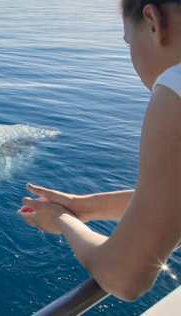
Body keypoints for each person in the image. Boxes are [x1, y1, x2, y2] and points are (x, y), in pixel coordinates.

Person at [17, 0, 181, 302]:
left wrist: (62, 221)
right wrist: (86, 207)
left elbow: (125, 277)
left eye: (129, 42)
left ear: (153, 22)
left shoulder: (175, 87)